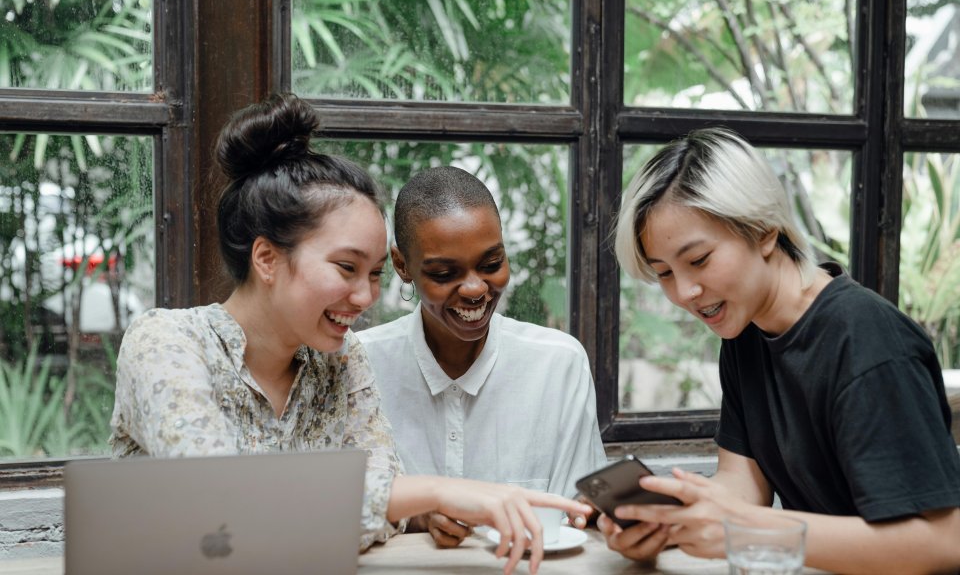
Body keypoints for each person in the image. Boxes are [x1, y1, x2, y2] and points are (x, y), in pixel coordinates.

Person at [109, 93, 589, 575]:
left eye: (376, 273)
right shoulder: (166, 342)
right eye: (346, 268)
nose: (365, 298)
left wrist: (386, 506)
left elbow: (384, 515)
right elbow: (219, 511)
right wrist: (437, 490)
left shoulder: (341, 359)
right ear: (267, 258)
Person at [607, 127, 960, 574]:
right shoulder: (745, 331)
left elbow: (944, 542)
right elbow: (744, 484)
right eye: (663, 273)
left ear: (764, 231)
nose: (687, 292)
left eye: (698, 260)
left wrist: (745, 527)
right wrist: (667, 524)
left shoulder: (868, 341)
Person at [357, 166, 607, 548]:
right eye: (444, 273)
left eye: (491, 265)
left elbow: (579, 514)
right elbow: (331, 510)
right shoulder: (360, 366)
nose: (475, 289)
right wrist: (418, 513)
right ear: (402, 265)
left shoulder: (558, 365)